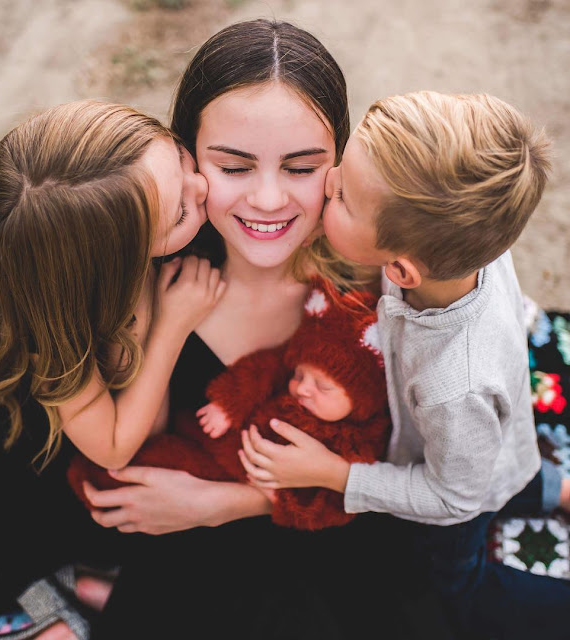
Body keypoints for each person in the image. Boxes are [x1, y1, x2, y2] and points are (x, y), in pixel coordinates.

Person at [83, 18, 419, 640]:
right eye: (234, 167)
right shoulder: (156, 276)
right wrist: (161, 328)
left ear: (340, 163)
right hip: (183, 553)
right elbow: (136, 461)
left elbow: (407, 469)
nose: (267, 201)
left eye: (301, 168)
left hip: (336, 536)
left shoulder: (374, 284)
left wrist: (227, 504)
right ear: (187, 160)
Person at [240, 91, 570, 639]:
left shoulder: (452, 384)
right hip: (496, 446)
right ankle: (555, 488)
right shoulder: (471, 241)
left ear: (400, 270)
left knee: (452, 592)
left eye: (342, 196)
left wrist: (333, 473)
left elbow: (452, 496)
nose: (327, 183)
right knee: (505, 474)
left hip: (458, 489)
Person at [0, 99, 218, 626]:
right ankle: (70, 580)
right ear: (118, 264)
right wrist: (172, 326)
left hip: (77, 437)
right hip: (11, 478)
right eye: (180, 211)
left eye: (178, 157)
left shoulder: (89, 252)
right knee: (87, 524)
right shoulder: (55, 339)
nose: (202, 185)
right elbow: (116, 446)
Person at [67, 275, 390, 531]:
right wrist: (227, 404)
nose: (266, 200)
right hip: (200, 456)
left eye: (321, 385)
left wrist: (245, 501)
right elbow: (260, 374)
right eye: (301, 376)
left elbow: (369, 493)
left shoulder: (357, 303)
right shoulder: (171, 284)